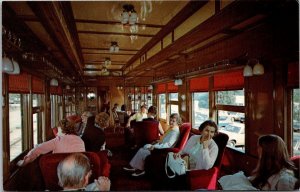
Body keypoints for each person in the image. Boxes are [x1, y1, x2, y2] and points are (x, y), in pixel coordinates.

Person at [17, 119, 85, 167]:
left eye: (58, 131)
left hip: (61, 170)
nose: (57, 133)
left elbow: (38, 149)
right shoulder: (80, 140)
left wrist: (25, 161)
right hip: (79, 169)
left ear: (62, 130)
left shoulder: (58, 140)